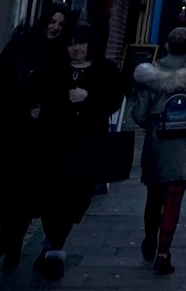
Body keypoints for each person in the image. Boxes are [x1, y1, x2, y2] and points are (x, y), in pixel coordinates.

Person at [0, 3, 73, 268]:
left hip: (38, 135)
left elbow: (62, 93)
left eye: (61, 24)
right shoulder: (19, 47)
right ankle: (9, 235)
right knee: (7, 187)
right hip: (10, 126)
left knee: (25, 191)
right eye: (52, 21)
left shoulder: (61, 57)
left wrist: (45, 108)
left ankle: (14, 243)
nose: (54, 28)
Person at [31, 24, 128, 281]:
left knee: (76, 196)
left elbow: (114, 102)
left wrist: (88, 97)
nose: (76, 49)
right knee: (51, 194)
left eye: (81, 43)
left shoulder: (105, 70)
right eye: (71, 44)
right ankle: (55, 248)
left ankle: (53, 244)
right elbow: (40, 94)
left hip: (87, 143)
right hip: (54, 141)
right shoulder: (55, 67)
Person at [131, 27, 186, 276]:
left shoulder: (151, 73)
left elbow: (138, 113)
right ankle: (163, 252)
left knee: (154, 195)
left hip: (158, 140)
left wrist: (153, 125)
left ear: (166, 45)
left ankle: (149, 239)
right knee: (173, 198)